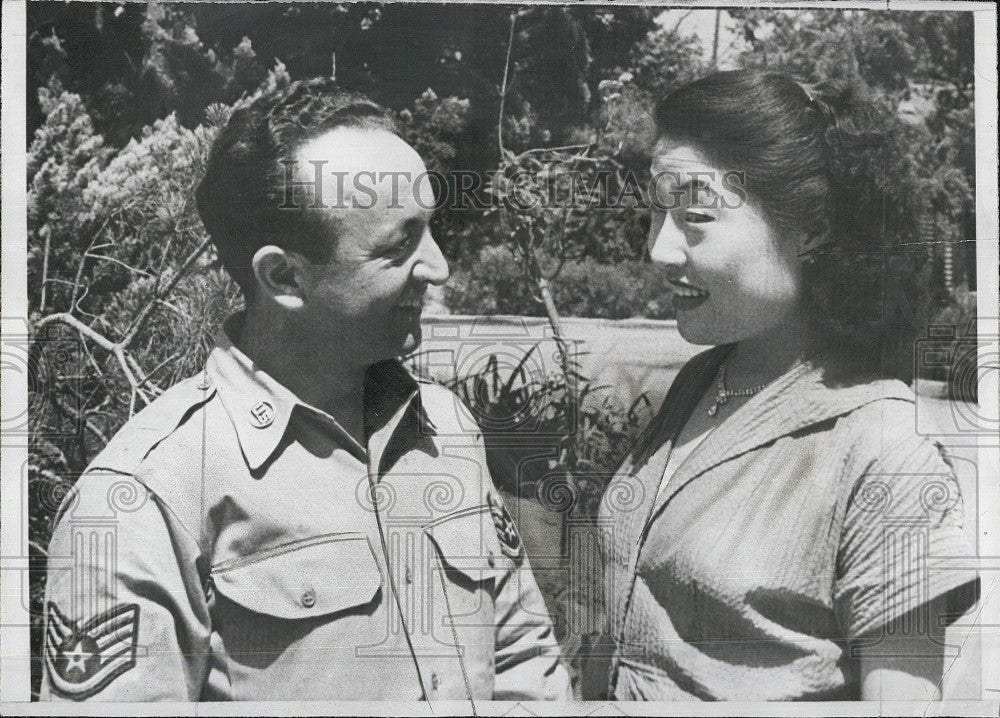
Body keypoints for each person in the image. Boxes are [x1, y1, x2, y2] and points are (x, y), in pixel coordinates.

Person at [42, 78, 569, 703]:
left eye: (431, 227)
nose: (439, 266)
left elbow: (522, 663)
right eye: (399, 245)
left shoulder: (445, 426)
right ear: (284, 276)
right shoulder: (144, 498)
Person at [598, 69, 979, 701]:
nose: (659, 249)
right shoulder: (701, 382)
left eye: (695, 214)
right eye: (657, 212)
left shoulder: (884, 451)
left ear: (813, 231)